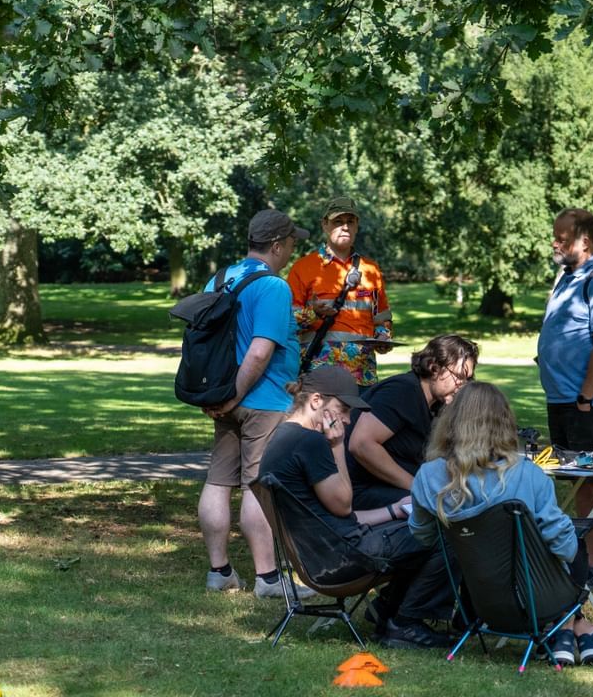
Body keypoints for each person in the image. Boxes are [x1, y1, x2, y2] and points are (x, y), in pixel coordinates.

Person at [409, 382, 593, 666]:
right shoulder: (527, 475)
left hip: (480, 600)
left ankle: (568, 634)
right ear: (504, 424)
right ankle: (572, 630)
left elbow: (424, 535)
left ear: (450, 423)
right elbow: (564, 546)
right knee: (575, 543)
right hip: (537, 602)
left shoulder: (428, 477)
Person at [258, 366, 455, 649]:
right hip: (340, 558)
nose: (348, 420)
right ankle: (405, 623)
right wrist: (338, 446)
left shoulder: (283, 436)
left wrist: (394, 510)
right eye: (344, 409)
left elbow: (333, 516)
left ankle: (389, 613)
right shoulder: (311, 442)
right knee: (446, 533)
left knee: (417, 522)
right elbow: (342, 505)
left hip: (324, 552)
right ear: (316, 401)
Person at [199, 208, 313, 600]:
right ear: (277, 245)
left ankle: (219, 572)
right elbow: (261, 351)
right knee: (257, 485)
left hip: (221, 399)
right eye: (292, 243)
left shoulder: (220, 279)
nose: (293, 251)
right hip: (262, 400)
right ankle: (267, 578)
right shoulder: (273, 287)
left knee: (218, 481)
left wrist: (218, 397)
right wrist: (236, 393)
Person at [537, 207, 593, 592]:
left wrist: (586, 397)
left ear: (585, 241)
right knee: (577, 478)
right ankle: (588, 562)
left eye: (561, 238)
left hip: (589, 402)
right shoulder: (567, 277)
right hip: (563, 399)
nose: (554, 243)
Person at [346, 334, 478, 510]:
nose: (462, 385)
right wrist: (417, 487)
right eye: (459, 376)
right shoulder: (403, 390)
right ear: (434, 367)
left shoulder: (436, 404)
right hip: (361, 491)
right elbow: (361, 444)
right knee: (448, 506)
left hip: (388, 487)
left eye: (468, 379)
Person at [287, 196, 393, 390]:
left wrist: (383, 337)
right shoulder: (302, 268)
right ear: (325, 225)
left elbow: (381, 318)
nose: (345, 227)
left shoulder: (371, 270)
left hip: (362, 376)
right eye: (338, 221)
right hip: (319, 376)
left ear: (357, 226)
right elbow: (287, 322)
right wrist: (313, 313)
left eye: (350, 222)